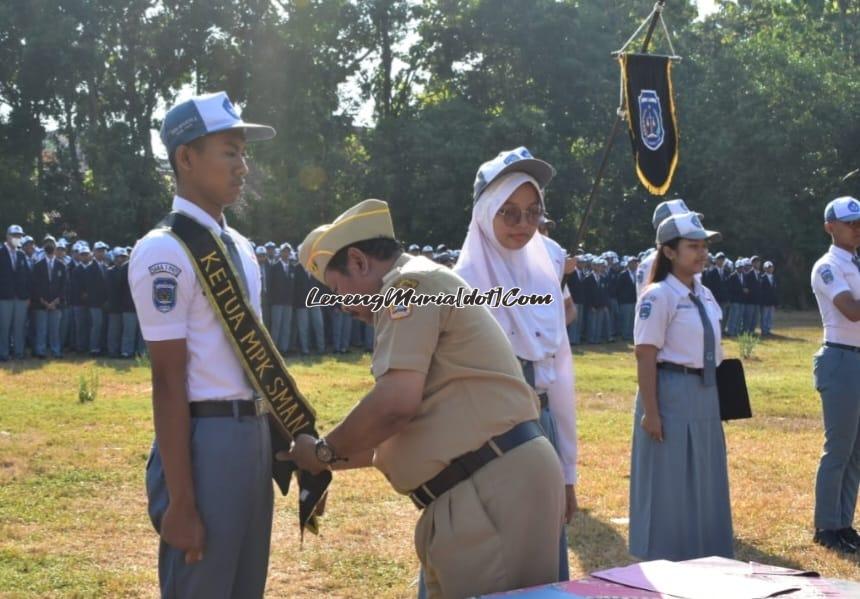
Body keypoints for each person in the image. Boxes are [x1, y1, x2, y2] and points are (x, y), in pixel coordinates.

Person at [287, 198, 565, 599]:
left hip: (488, 487)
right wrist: (322, 457)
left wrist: (324, 453)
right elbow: (401, 430)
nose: (344, 305)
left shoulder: (407, 288)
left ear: (360, 262)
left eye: (337, 288)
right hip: (481, 485)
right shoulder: (419, 284)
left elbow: (395, 406)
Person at [129, 91, 276, 598]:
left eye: (243, 152)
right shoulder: (163, 250)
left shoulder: (242, 248)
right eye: (229, 151)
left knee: (243, 585)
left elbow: (253, 360)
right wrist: (183, 501)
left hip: (252, 436)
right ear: (185, 158)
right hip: (204, 441)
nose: (243, 165)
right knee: (203, 584)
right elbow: (168, 381)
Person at [455, 147, 577, 582]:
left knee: (536, 562)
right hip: (483, 441)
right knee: (487, 560)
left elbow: (560, 374)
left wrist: (567, 470)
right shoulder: (460, 285)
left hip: (539, 429)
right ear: (486, 213)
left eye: (532, 213)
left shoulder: (544, 275)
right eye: (509, 213)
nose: (524, 226)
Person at [630, 212, 733, 561]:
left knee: (705, 474)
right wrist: (651, 412)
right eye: (693, 246)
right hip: (670, 389)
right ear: (669, 252)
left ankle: (706, 551)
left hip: (705, 391)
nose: (701, 253)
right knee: (669, 478)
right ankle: (666, 554)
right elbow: (645, 355)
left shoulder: (704, 293)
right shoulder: (659, 295)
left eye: (704, 246)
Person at [810, 196, 860, 554]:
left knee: (856, 451)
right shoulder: (828, 266)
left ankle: (844, 522)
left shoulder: (856, 263)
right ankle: (826, 525)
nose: (857, 229)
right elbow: (851, 310)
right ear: (831, 227)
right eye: (850, 223)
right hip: (842, 359)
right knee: (839, 448)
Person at [31, 235, 67, 359]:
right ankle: (40, 351)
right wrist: (44, 301)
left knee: (55, 330)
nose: (49, 245)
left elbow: (64, 286)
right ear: (43, 246)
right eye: (47, 243)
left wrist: (56, 301)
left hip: (56, 304)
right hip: (41, 303)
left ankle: (56, 351)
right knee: (42, 329)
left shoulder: (61, 265)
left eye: (51, 243)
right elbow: (35, 285)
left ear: (55, 246)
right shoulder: (37, 265)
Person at [0, 225, 30, 361]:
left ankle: (19, 352)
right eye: (15, 236)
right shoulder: (0, 253)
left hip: (21, 297)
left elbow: (27, 276)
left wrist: (28, 296)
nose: (17, 239)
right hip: (4, 297)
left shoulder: (21, 254)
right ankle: (4, 353)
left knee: (19, 327)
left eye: (19, 236)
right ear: (7, 237)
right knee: (4, 327)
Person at [616, 256, 639, 341]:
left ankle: (631, 335)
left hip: (634, 300)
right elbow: (618, 288)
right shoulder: (623, 274)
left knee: (632, 319)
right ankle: (625, 335)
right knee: (625, 319)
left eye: (636, 263)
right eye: (633, 263)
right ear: (629, 264)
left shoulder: (638, 274)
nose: (635, 264)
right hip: (625, 301)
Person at [760, 261, 778, 336]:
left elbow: (775, 290)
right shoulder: (762, 277)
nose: (770, 269)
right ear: (765, 268)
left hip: (772, 300)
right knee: (764, 317)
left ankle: (768, 330)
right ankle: (764, 331)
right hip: (765, 301)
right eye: (768, 267)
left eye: (771, 267)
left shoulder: (774, 277)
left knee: (770, 317)